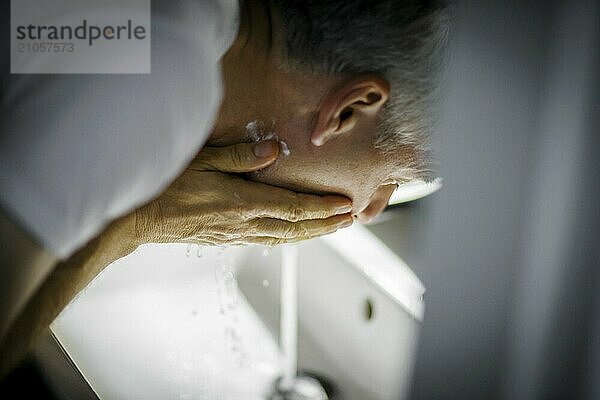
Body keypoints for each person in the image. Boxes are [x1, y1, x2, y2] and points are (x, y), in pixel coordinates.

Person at [0, 0, 448, 378]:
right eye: (392, 180)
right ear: (349, 110)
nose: (372, 210)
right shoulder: (165, 71)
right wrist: (134, 223)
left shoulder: (185, 22)